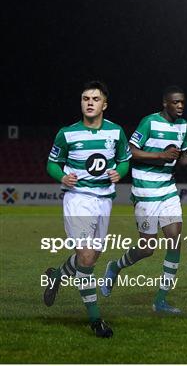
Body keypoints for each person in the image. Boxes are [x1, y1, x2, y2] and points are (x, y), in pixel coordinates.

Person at [43, 80, 131, 338]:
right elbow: (52, 164)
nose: (89, 102)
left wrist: (119, 173)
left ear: (105, 104)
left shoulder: (115, 132)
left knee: (90, 258)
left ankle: (57, 275)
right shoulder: (67, 133)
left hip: (104, 200)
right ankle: (95, 319)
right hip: (77, 198)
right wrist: (62, 177)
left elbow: (124, 161)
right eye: (85, 98)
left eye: (94, 99)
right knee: (85, 258)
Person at [101, 86, 187, 314]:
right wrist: (159, 155)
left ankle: (161, 300)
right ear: (165, 103)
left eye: (183, 102)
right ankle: (115, 267)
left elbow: (177, 160)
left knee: (175, 239)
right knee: (147, 248)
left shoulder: (183, 126)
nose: (180, 106)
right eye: (176, 102)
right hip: (145, 189)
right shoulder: (149, 122)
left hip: (168, 188)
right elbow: (129, 151)